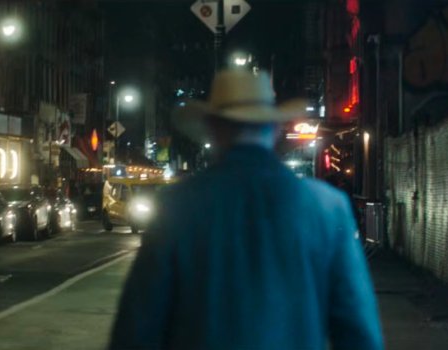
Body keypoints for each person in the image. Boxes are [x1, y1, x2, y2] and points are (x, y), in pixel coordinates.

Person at [110, 69, 383, 350]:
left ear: (213, 129)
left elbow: (137, 330)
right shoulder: (326, 208)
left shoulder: (176, 207)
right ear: (275, 129)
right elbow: (359, 333)